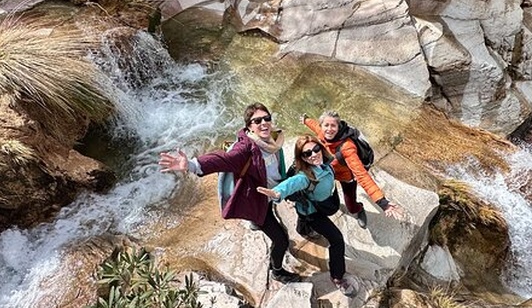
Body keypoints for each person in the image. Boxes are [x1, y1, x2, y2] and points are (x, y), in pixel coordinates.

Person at [159, 103, 299, 283]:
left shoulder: (273, 139)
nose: (264, 123)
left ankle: (255, 222)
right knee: (282, 241)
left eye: (267, 118)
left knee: (272, 213)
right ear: (249, 127)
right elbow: (223, 159)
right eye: (257, 121)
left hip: (269, 195)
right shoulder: (245, 148)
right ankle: (277, 271)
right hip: (257, 200)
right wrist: (192, 165)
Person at [257, 135, 358, 297]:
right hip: (313, 212)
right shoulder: (305, 177)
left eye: (316, 149)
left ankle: (303, 229)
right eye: (307, 153)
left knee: (303, 219)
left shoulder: (326, 162)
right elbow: (290, 185)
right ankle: (337, 276)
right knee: (337, 239)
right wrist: (277, 193)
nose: (313, 154)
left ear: (321, 148)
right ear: (302, 158)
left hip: (313, 205)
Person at [302, 111, 403, 229]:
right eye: (326, 125)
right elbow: (315, 126)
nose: (329, 129)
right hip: (330, 173)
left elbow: (362, 176)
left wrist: (382, 202)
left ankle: (359, 209)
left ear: (338, 126)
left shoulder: (347, 148)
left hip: (346, 179)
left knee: (351, 207)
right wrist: (305, 120)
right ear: (322, 126)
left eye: (333, 125)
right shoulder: (322, 133)